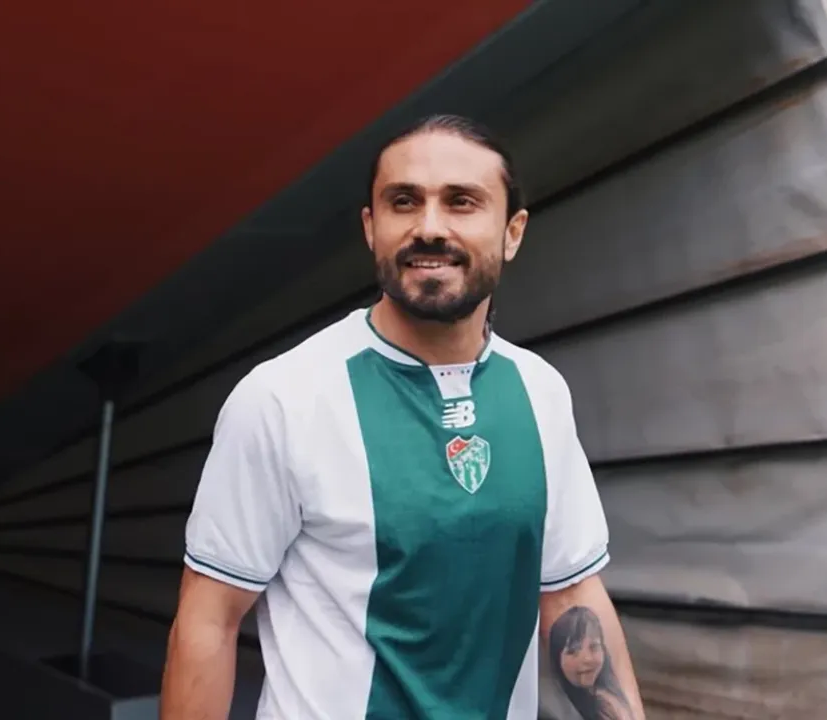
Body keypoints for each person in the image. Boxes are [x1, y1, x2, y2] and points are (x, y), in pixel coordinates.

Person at [160, 114, 645, 720]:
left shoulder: (541, 391)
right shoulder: (282, 397)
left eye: (462, 202)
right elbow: (209, 620)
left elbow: (571, 596)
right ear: (372, 228)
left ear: (512, 232)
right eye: (404, 202)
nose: (430, 227)